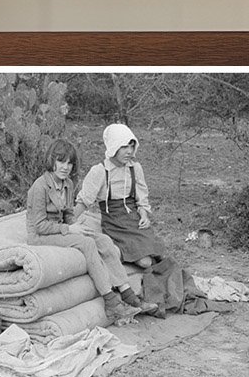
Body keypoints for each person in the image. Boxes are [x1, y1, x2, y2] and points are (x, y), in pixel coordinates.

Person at [26, 139, 156, 325]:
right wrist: (69, 229)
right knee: (86, 244)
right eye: (61, 161)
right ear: (51, 160)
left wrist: (76, 226)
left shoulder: (68, 184)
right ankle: (111, 301)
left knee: (102, 240)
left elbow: (68, 213)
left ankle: (128, 294)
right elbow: (39, 226)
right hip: (41, 236)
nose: (65, 167)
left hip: (61, 228)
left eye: (70, 163)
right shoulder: (40, 186)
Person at [76, 123, 167, 270]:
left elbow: (142, 197)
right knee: (145, 262)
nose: (129, 152)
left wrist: (144, 215)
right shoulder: (100, 171)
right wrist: (68, 224)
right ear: (114, 147)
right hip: (114, 223)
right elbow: (84, 201)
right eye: (124, 147)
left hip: (134, 220)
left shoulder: (135, 168)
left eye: (132, 147)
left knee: (159, 254)